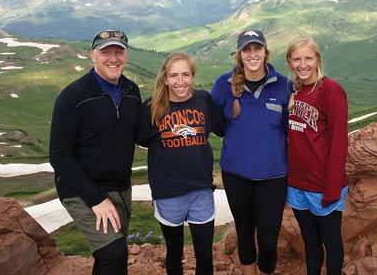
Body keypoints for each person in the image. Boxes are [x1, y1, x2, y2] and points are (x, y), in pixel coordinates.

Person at [49, 30, 141, 275]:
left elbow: (140, 134)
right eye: (106, 52)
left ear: (126, 55)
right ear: (93, 56)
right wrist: (96, 199)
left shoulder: (132, 91)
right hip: (82, 189)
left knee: (109, 254)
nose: (113, 58)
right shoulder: (73, 97)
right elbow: (59, 156)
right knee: (114, 253)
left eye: (118, 51)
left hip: (120, 187)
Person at [210, 30, 291, 275]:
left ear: (266, 51)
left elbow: (291, 128)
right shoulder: (223, 85)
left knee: (268, 240)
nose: (252, 54)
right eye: (247, 49)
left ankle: (266, 270)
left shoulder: (284, 85)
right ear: (240, 54)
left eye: (257, 48)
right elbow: (216, 124)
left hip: (273, 176)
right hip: (236, 175)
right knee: (244, 233)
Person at [138, 52, 224, 275]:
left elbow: (222, 127)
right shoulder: (152, 107)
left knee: (205, 256)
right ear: (165, 78)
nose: (180, 81)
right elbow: (140, 138)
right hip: (168, 193)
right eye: (174, 75)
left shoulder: (203, 99)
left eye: (186, 74)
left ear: (192, 76)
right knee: (174, 253)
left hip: (201, 190)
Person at [285, 37, 348, 275]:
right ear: (290, 63)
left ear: (318, 60)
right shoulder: (294, 91)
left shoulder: (330, 90)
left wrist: (332, 187)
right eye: (297, 59)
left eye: (308, 58)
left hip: (322, 185)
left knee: (331, 242)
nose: (303, 65)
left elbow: (339, 141)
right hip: (297, 185)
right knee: (309, 242)